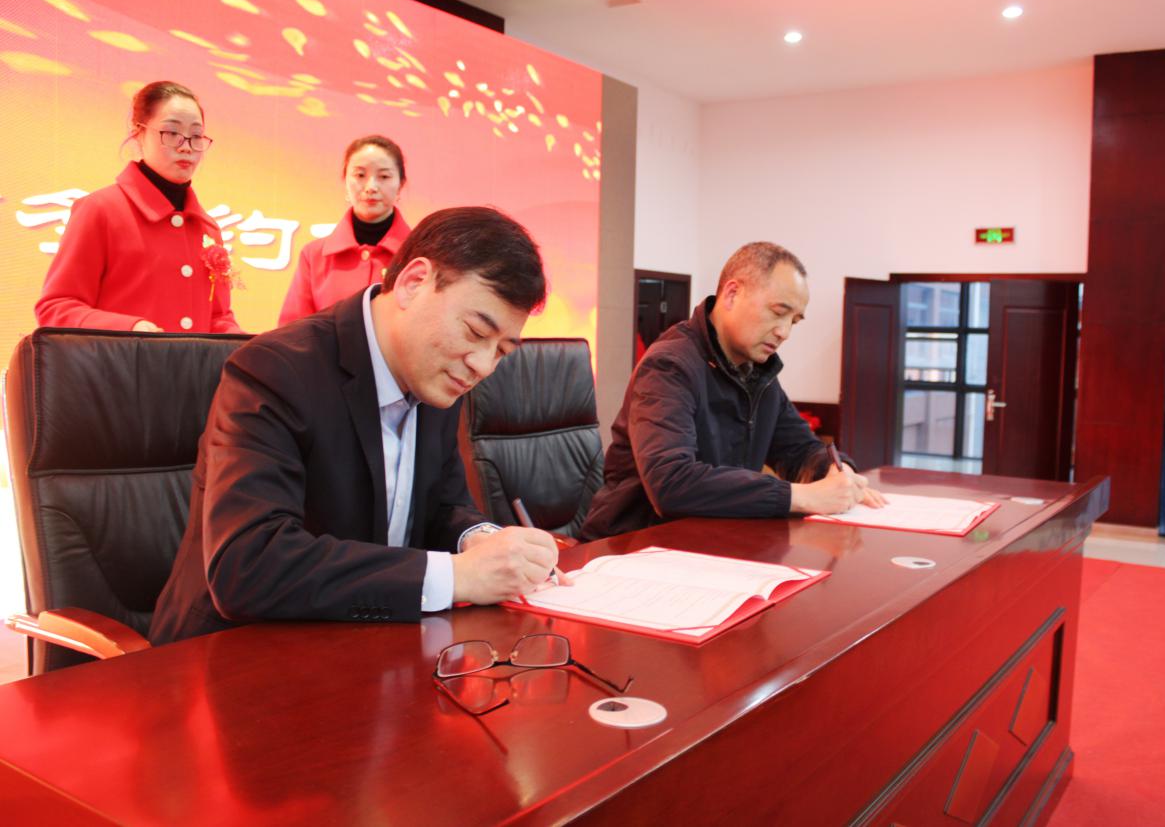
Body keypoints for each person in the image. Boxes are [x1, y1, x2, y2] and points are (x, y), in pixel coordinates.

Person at [150, 206, 561, 643]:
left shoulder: (438, 375)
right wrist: (457, 576)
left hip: (362, 643)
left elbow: (442, 505)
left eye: (502, 351)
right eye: (476, 332)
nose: (482, 365)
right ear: (414, 282)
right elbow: (249, 565)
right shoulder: (275, 371)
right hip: (233, 652)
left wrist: (478, 539)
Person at [580, 241, 885, 541]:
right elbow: (672, 483)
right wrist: (801, 496)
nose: (784, 332)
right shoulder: (670, 366)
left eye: (794, 321)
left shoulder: (758, 373)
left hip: (713, 541)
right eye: (778, 312)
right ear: (732, 294)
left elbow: (799, 450)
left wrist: (836, 472)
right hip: (633, 546)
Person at [35, 80, 242, 333]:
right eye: (172, 133)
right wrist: (131, 329)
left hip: (192, 363)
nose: (186, 147)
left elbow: (218, 318)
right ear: (139, 133)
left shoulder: (207, 228)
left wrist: (250, 345)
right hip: (121, 360)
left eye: (196, 136)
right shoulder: (100, 210)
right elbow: (56, 308)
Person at [278, 135, 412, 325]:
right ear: (345, 180)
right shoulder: (314, 256)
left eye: (384, 176)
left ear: (400, 185)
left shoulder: (419, 255)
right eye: (360, 175)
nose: (371, 187)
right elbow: (292, 331)